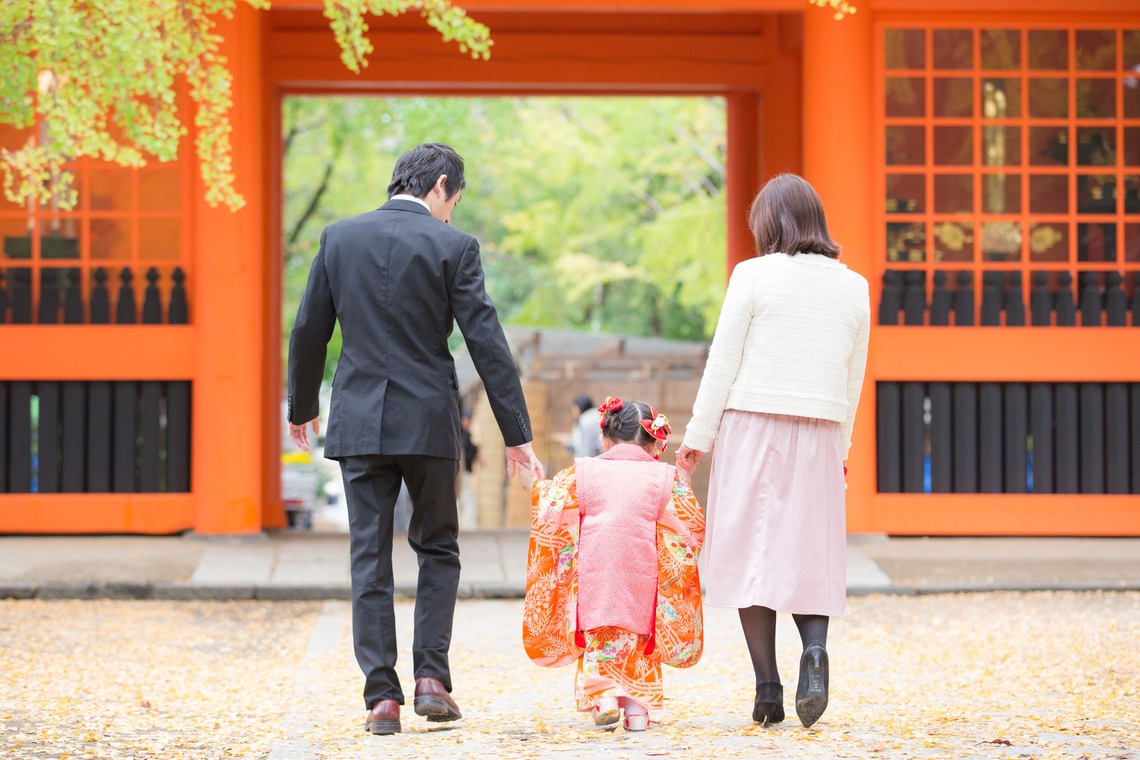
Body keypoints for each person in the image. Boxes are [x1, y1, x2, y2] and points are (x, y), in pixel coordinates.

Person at [287, 143, 544, 736]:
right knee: (437, 547)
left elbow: (308, 332)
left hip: (357, 420)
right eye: (453, 201)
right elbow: (487, 343)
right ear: (442, 185)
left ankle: (382, 697)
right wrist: (516, 435)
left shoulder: (339, 237)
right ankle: (431, 678)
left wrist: (302, 405)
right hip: (427, 420)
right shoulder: (453, 246)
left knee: (369, 556)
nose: (451, 212)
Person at [675, 173, 870, 729]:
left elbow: (723, 360)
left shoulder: (753, 275)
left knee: (749, 550)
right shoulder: (853, 286)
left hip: (752, 423)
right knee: (811, 549)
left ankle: (767, 689)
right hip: (821, 428)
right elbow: (852, 379)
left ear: (769, 223)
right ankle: (814, 652)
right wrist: (844, 447)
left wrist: (698, 437)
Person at [520, 397, 705, 732]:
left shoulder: (584, 472)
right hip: (644, 581)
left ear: (605, 437)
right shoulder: (664, 477)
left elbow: (552, 510)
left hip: (595, 578)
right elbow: (690, 528)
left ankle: (603, 697)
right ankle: (637, 712)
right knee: (639, 643)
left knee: (600, 640)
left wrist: (537, 484)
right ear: (655, 444)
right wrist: (686, 476)